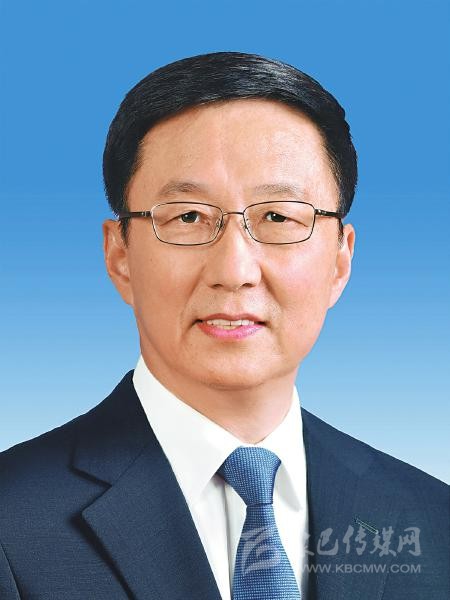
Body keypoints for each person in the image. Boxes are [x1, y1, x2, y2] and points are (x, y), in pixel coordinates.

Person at [0, 52, 447, 600]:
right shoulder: (12, 522)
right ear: (119, 255)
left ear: (340, 260)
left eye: (278, 216)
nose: (234, 271)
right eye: (188, 217)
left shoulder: (433, 520)